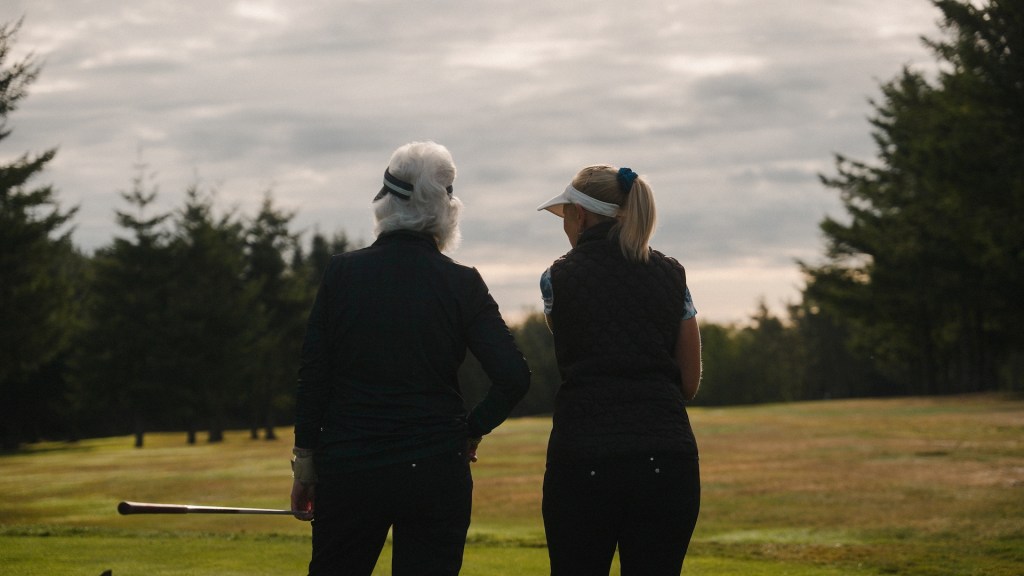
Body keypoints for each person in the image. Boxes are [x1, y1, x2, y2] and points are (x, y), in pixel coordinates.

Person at [291, 141, 531, 576]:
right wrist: (470, 430)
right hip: (435, 469)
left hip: (351, 466)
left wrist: (305, 465)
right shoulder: (462, 283)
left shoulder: (342, 274)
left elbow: (314, 376)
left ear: (384, 202)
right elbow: (513, 376)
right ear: (447, 208)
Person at [535, 164, 702, 576]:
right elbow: (689, 381)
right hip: (667, 458)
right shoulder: (673, 275)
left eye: (565, 215)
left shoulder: (556, 278)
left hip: (583, 457)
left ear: (580, 215)